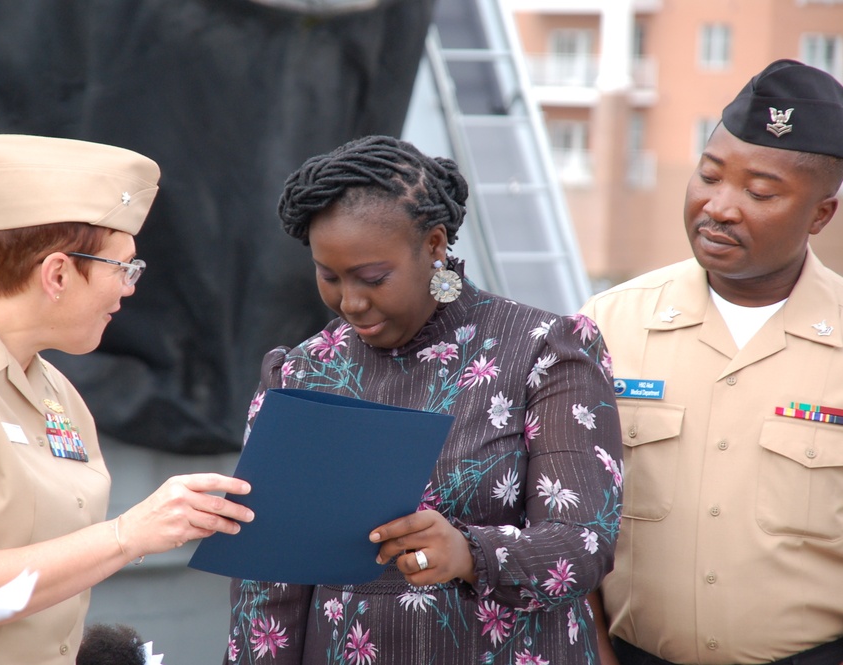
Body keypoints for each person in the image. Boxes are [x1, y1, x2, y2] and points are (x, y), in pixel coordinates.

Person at [0, 134, 254, 665]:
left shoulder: (54, 389)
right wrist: (130, 534)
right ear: (57, 273)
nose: (129, 288)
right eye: (122, 267)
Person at [221, 135, 623, 664]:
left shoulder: (543, 351)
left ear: (435, 245)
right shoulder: (301, 373)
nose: (351, 302)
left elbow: (584, 542)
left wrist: (470, 554)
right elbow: (268, 578)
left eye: (372, 278)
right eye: (329, 276)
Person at [580, 59, 843, 665]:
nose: (720, 207)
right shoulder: (607, 324)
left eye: (759, 193)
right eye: (708, 176)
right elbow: (563, 511)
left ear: (820, 215)